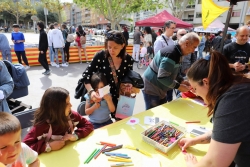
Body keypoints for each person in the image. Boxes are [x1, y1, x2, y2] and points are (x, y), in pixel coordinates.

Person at [179, 51, 250, 167]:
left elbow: (214, 163)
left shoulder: (233, 100)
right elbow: (227, 131)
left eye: (195, 88)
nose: (195, 93)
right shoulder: (235, 87)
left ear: (205, 82)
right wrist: (195, 140)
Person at [23, 87, 94, 154]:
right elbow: (24, 148)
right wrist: (48, 146)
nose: (71, 105)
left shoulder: (71, 116)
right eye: (67, 104)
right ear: (56, 108)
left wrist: (76, 135)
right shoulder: (42, 125)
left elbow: (88, 125)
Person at [82, 30, 134, 119]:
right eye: (109, 47)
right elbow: (86, 76)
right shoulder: (101, 56)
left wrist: (129, 83)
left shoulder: (128, 59)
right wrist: (91, 92)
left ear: (122, 46)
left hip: (120, 97)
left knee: (121, 122)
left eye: (115, 47)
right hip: (101, 98)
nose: (111, 50)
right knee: (102, 123)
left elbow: (129, 76)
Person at [142, 32, 200, 110]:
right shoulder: (172, 54)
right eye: (194, 47)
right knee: (153, 115)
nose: (193, 51)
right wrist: (179, 87)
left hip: (160, 87)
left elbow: (174, 71)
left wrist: (181, 80)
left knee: (160, 111)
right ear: (186, 43)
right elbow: (162, 77)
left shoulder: (178, 52)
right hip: (152, 87)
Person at [154, 20, 176, 102]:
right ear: (166, 28)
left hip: (170, 72)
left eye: (175, 28)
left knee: (170, 97)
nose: (174, 30)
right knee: (162, 97)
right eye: (172, 28)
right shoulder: (159, 41)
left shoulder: (172, 41)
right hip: (162, 72)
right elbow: (157, 58)